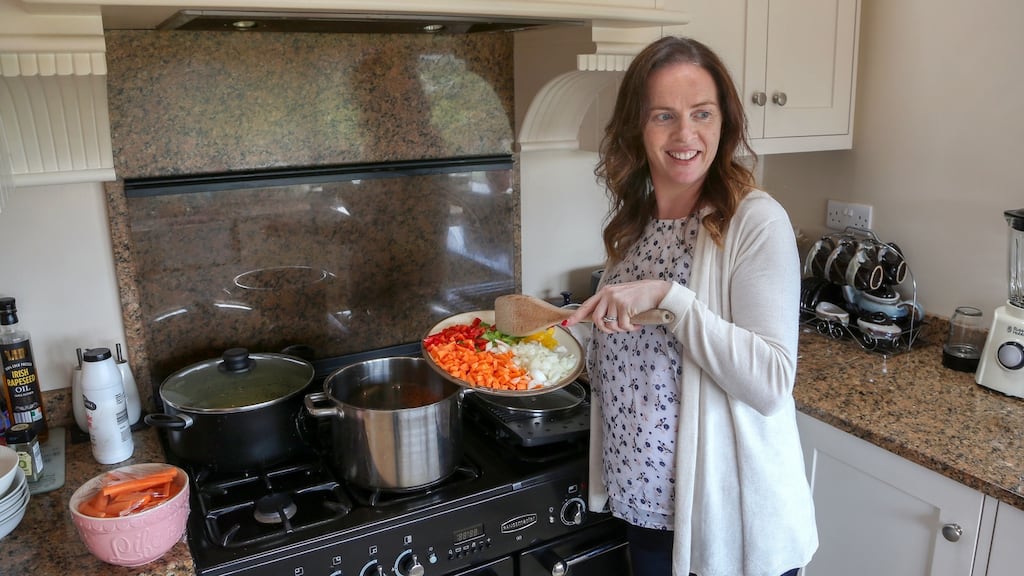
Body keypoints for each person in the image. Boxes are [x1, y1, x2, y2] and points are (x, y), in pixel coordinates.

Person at [564, 36, 818, 576]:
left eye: (702, 113)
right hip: (645, 507)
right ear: (637, 126)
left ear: (724, 121)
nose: (686, 135)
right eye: (664, 116)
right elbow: (641, 350)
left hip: (722, 517)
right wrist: (568, 339)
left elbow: (772, 381)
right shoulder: (635, 223)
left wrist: (670, 298)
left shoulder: (754, 221)